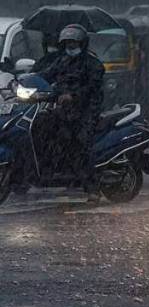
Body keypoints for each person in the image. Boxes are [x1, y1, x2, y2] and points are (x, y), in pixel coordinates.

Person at [37, 24, 106, 200]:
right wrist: (21, 78)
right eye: (67, 43)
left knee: (81, 142)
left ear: (82, 44)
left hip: (86, 110)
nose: (70, 47)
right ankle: (50, 170)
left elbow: (92, 87)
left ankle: (92, 187)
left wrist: (72, 96)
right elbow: (45, 75)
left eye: (74, 43)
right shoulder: (61, 61)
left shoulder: (93, 64)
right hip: (64, 110)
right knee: (42, 126)